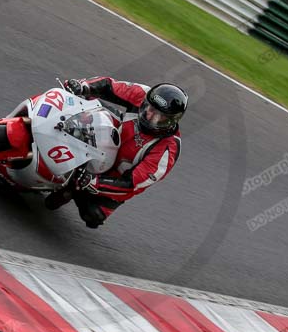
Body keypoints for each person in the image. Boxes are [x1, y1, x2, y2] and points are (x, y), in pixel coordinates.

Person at [45, 77, 187, 228]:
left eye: (159, 117)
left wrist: (94, 182)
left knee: (93, 215)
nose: (149, 116)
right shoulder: (143, 93)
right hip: (109, 138)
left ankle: (72, 189)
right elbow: (109, 86)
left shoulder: (167, 149)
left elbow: (132, 184)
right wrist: (84, 87)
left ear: (172, 121)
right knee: (85, 105)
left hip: (114, 177)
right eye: (150, 109)